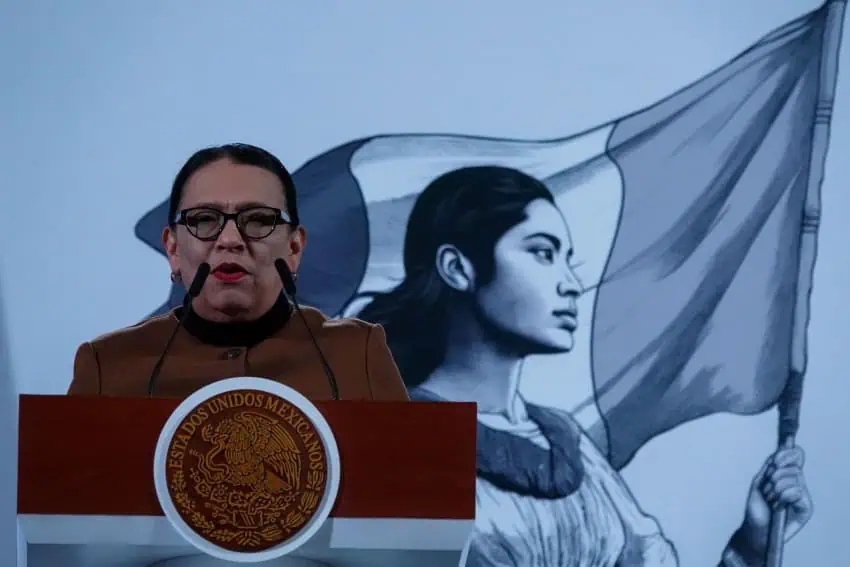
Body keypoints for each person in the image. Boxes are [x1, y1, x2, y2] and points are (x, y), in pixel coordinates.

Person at [355, 166, 813, 567]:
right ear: (458, 268)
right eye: (542, 252)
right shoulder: (391, 440)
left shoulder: (567, 442)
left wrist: (751, 544)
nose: (571, 284)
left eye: (567, 260)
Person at [67, 143, 409, 401]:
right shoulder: (107, 367)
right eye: (204, 220)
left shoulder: (356, 356)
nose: (230, 240)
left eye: (258, 220)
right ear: (172, 248)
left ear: (294, 248)